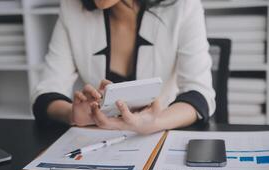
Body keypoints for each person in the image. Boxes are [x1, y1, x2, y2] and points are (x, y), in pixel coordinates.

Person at [32, 0, 215, 134]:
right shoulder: (71, 7)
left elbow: (200, 93)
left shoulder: (183, 6)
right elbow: (46, 92)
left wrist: (156, 122)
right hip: (98, 143)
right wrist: (72, 114)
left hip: (159, 135)